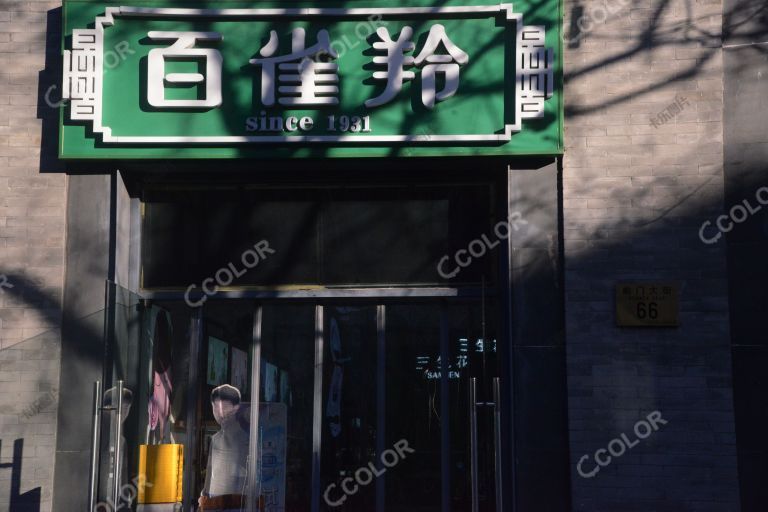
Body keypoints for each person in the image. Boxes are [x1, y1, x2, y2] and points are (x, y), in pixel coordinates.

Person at [199, 384, 249, 512]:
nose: (221, 413)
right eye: (216, 407)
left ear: (237, 408)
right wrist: (204, 497)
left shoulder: (247, 439)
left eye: (225, 408)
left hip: (236, 503)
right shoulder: (215, 439)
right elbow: (210, 471)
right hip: (214, 501)